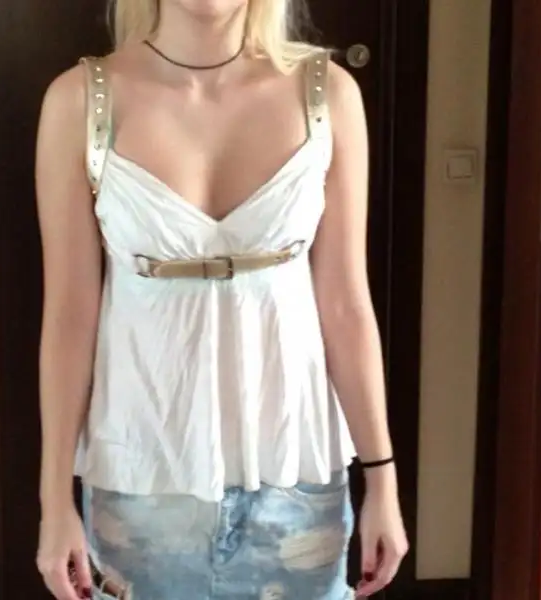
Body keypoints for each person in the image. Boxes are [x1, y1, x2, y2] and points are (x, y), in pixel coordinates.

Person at [34, 0, 408, 598]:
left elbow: (345, 304)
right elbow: (69, 317)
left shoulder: (328, 94)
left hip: (297, 474)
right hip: (140, 480)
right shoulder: (80, 101)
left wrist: (382, 481)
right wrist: (54, 501)